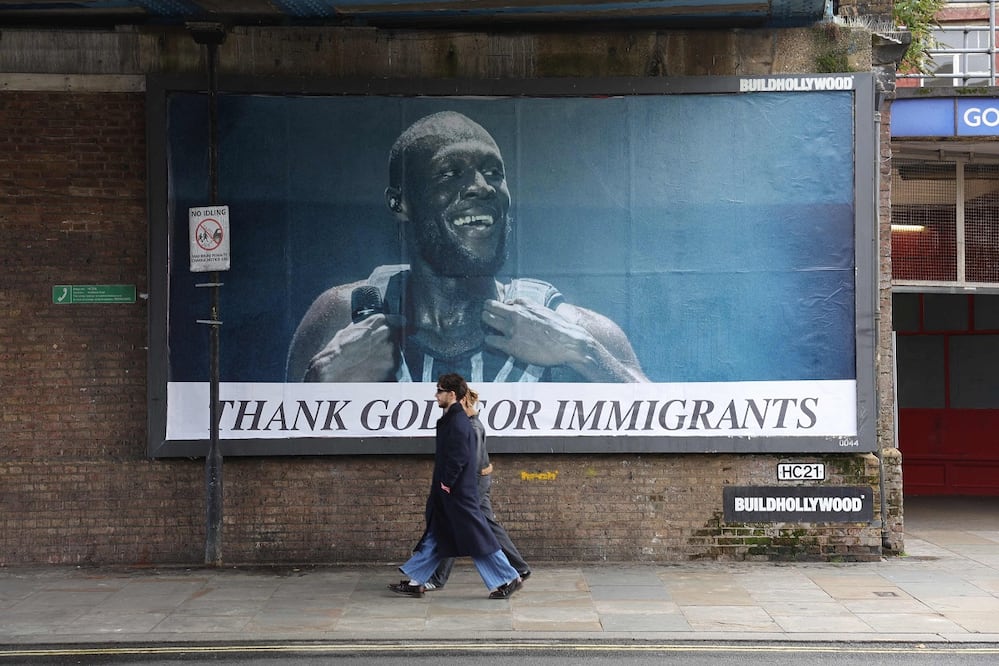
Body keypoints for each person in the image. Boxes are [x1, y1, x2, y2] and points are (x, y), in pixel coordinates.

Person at [286, 110, 649, 384]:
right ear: (401, 203)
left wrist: (584, 354)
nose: (482, 187)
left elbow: (667, 434)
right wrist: (319, 382)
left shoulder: (573, 328)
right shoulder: (340, 317)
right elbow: (271, 464)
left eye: (494, 173)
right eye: (450, 173)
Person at [388, 373, 523, 600]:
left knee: (476, 539)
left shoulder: (459, 422)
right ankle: (416, 581)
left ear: (451, 394)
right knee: (440, 535)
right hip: (452, 493)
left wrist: (447, 484)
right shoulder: (454, 419)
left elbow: (459, 457)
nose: (436, 395)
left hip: (458, 494)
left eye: (439, 391)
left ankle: (510, 577)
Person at [425, 386, 530, 590]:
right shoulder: (469, 424)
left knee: (454, 524)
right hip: (478, 480)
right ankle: (519, 567)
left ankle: (437, 578)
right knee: (485, 524)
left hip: (473, 482)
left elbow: (469, 461)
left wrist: (455, 485)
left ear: (461, 400)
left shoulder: (471, 426)